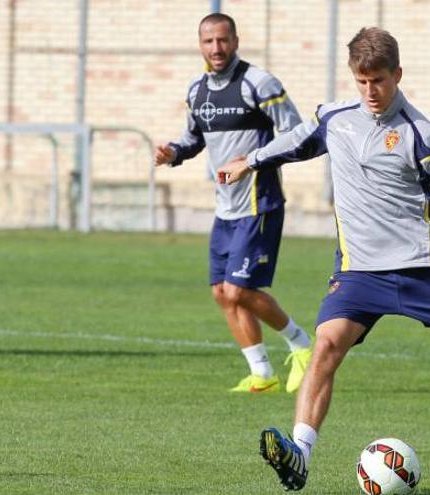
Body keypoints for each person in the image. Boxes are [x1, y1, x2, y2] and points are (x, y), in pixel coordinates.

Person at [218, 27, 430, 490]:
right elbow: (297, 142)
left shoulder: (422, 135)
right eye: (362, 82)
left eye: (378, 81)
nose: (370, 92)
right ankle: (300, 454)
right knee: (324, 348)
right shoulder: (335, 118)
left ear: (397, 74)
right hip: (359, 272)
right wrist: (252, 160)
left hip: (422, 271)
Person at [155, 13, 312, 394]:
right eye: (208, 42)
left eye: (223, 40)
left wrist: (252, 163)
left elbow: (297, 135)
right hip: (225, 209)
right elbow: (192, 140)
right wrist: (171, 153)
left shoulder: (259, 83)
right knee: (221, 293)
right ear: (200, 45)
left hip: (260, 204)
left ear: (236, 41)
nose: (216, 48)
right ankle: (261, 373)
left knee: (240, 290)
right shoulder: (197, 91)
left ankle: (302, 345)